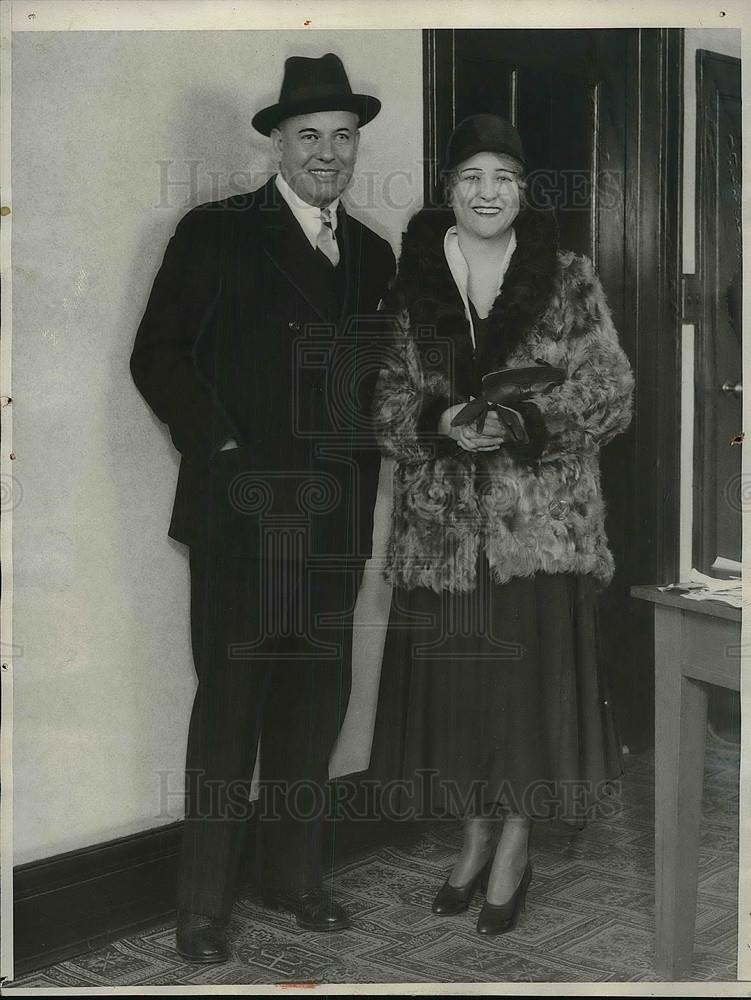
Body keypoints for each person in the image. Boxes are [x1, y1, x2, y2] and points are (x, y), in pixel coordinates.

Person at [131, 53, 395, 962]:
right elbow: (158, 355)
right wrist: (229, 451)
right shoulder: (216, 232)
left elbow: (376, 386)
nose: (328, 153)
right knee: (230, 708)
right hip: (242, 517)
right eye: (309, 136)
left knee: (312, 706)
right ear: (278, 144)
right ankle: (202, 908)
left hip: (332, 522)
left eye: (343, 137)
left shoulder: (374, 252)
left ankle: (290, 875)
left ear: (357, 146)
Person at [370, 114, 634, 936]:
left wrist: (523, 424)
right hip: (444, 534)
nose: (487, 194)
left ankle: (515, 842)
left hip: (539, 530)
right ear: (448, 188)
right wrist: (439, 418)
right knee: (465, 697)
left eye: (504, 178)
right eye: (471, 177)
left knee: (524, 698)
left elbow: (611, 394)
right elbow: (379, 401)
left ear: (523, 190)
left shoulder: (567, 277)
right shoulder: (410, 280)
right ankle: (475, 833)